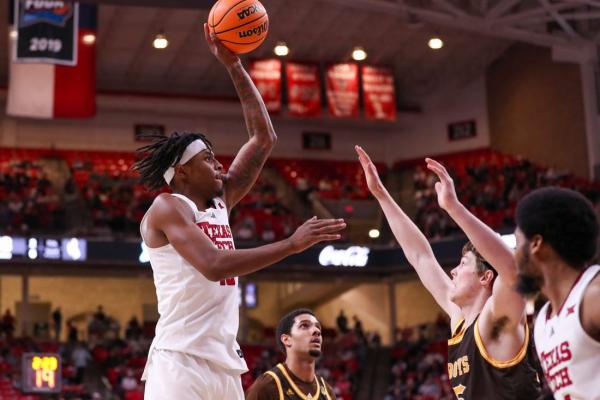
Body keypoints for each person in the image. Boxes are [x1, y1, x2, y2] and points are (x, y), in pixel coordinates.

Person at [135, 24, 346, 400]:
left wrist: (234, 66)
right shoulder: (167, 207)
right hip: (179, 362)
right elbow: (214, 264)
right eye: (207, 160)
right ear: (181, 171)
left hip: (225, 362)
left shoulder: (220, 201)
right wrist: (292, 244)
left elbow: (264, 138)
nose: (219, 165)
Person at [356, 146, 541, 399]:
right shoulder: (459, 321)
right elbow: (420, 256)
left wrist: (454, 209)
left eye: (463, 264)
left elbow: (511, 271)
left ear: (486, 277)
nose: (452, 271)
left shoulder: (496, 319)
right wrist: (381, 195)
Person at [513, 187, 600, 399]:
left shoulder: (593, 296)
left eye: (517, 243)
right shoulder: (543, 321)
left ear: (536, 244)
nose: (514, 255)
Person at [245, 309, 336, 400]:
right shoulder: (267, 387)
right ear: (286, 339)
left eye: (318, 327)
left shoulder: (328, 392)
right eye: (304, 325)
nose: (317, 331)